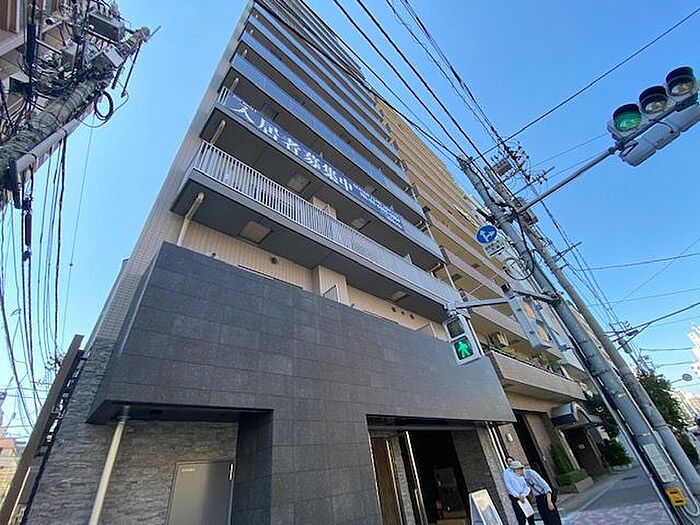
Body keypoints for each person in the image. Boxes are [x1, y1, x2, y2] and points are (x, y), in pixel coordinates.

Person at [503, 460, 535, 525]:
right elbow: (509, 487)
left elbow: (527, 485)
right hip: (515, 497)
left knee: (530, 515)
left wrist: (523, 495)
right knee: (521, 517)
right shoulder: (506, 473)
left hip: (524, 496)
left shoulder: (521, 472)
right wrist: (517, 495)